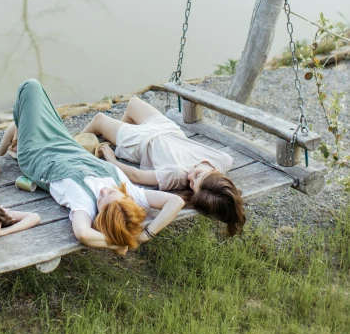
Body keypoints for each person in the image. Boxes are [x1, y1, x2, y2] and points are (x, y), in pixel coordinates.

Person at [0, 79, 185, 255]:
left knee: (30, 87)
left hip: (37, 154)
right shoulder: (133, 194)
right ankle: (6, 146)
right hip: (65, 144)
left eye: (102, 199)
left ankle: (6, 149)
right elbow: (175, 202)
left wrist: (117, 244)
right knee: (34, 109)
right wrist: (145, 235)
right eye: (112, 192)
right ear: (126, 198)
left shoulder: (84, 204)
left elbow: (82, 233)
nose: (104, 190)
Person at [80, 96, 245, 236]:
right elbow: (220, 191)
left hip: (140, 142)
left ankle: (71, 147)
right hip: (168, 129)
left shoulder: (177, 175)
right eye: (197, 175)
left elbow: (136, 176)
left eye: (192, 184)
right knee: (133, 103)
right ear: (215, 172)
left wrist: (112, 160)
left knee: (99, 120)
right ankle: (117, 136)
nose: (190, 177)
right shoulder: (223, 160)